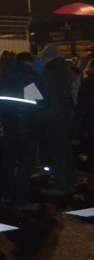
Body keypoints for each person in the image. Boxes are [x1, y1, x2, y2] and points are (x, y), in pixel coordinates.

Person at [0, 52, 44, 210]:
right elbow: (43, 102)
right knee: (25, 165)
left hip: (5, 126)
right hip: (27, 127)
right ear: (28, 63)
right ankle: (21, 200)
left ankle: (6, 196)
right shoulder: (29, 78)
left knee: (7, 161)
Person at [39, 45, 78, 198]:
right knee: (67, 151)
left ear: (47, 58)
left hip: (53, 118)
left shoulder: (49, 73)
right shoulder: (68, 71)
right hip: (68, 116)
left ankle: (60, 186)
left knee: (57, 152)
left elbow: (44, 97)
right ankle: (70, 183)